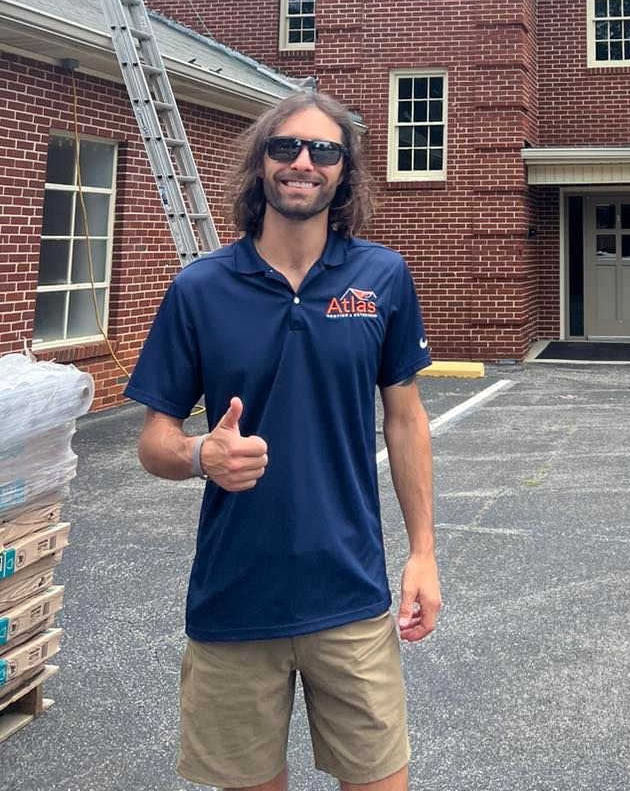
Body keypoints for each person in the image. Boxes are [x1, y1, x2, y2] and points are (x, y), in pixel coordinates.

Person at [125, 89, 440, 791]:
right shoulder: (200, 289)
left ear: (344, 173)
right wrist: (201, 456)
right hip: (236, 601)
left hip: (349, 593)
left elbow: (406, 418)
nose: (303, 162)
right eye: (285, 147)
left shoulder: (380, 279)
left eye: (323, 149)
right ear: (260, 165)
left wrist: (423, 554)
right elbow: (154, 440)